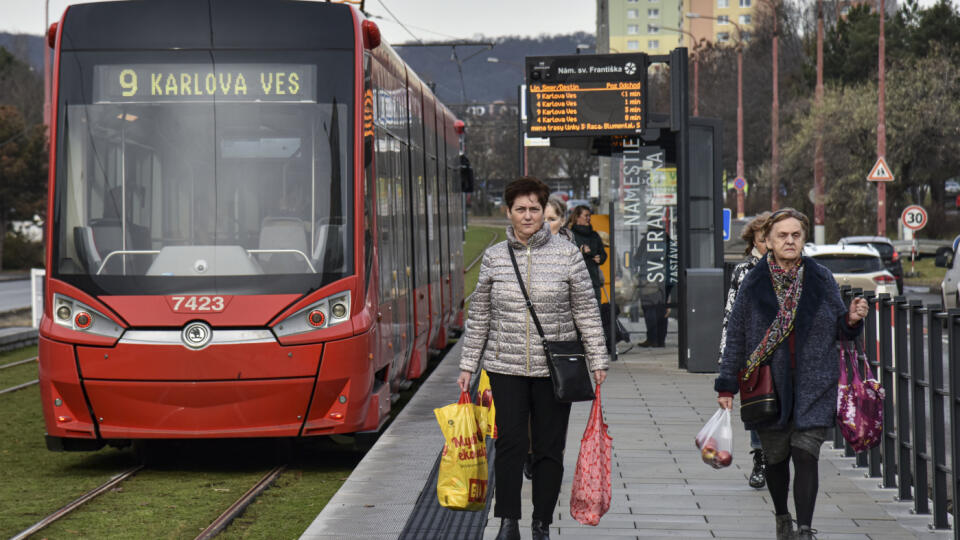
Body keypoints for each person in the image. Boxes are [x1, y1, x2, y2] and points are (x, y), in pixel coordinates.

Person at [459, 177, 609, 540]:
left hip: (554, 369)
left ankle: (541, 522)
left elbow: (586, 310)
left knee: (549, 448)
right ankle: (508, 521)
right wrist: (468, 365)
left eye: (535, 209)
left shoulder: (567, 254)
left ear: (545, 212)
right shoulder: (495, 257)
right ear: (508, 212)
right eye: (521, 209)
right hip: (504, 366)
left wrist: (597, 359)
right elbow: (480, 315)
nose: (528, 216)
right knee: (509, 443)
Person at [715, 208, 868, 540]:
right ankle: (783, 516)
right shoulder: (753, 282)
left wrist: (853, 320)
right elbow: (735, 335)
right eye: (782, 235)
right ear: (768, 241)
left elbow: (841, 328)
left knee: (806, 453)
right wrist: (726, 384)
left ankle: (804, 528)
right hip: (768, 386)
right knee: (776, 458)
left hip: (815, 382)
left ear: (803, 239)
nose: (789, 241)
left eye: (795, 235)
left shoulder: (820, 278)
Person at [718, 212, 772, 490]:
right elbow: (731, 316)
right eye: (763, 241)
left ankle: (778, 459)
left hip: (789, 354)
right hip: (754, 354)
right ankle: (760, 459)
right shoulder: (745, 271)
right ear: (753, 241)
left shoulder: (800, 269)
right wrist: (726, 363)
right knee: (758, 409)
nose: (768, 246)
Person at [567, 205, 607, 304]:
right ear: (577, 217)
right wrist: (580, 251)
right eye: (586, 216)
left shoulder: (594, 235)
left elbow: (603, 253)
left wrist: (601, 258)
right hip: (577, 283)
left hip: (594, 281)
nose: (589, 218)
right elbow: (565, 256)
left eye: (589, 216)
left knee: (596, 313)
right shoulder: (570, 235)